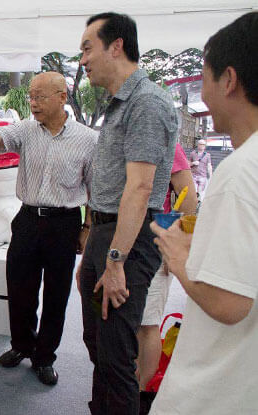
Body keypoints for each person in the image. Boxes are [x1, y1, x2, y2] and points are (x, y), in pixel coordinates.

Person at [149, 12, 258, 414]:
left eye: (205, 77)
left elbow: (229, 303)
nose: (204, 96)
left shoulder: (241, 171)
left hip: (219, 389)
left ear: (228, 80)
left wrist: (178, 255)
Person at [0, 71, 97, 385]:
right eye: (31, 96)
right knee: (20, 288)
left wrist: (87, 227)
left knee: (56, 294)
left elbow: (94, 187)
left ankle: (44, 356)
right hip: (26, 219)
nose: (33, 102)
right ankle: (21, 345)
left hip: (65, 223)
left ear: (62, 97)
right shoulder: (26, 129)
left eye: (40, 96)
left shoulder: (89, 139)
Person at [76, 12, 177, 414]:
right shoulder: (118, 104)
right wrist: (93, 249)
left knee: (117, 356)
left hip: (127, 240)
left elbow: (140, 188)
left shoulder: (147, 102)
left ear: (116, 46)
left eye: (87, 48)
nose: (82, 60)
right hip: (106, 233)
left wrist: (115, 261)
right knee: (99, 346)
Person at [135, 142, 196, 408]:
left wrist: (177, 242)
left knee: (147, 323)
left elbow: (188, 196)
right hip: (117, 239)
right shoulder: (119, 136)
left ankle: (142, 395)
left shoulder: (167, 143)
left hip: (153, 241)